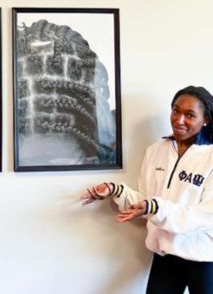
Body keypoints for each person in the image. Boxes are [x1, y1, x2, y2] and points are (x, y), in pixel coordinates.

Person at [80, 85, 213, 294]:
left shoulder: (210, 157)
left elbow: (206, 216)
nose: (179, 120)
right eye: (175, 110)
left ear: (206, 120)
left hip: (204, 258)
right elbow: (146, 201)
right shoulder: (155, 151)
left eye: (189, 115)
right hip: (165, 256)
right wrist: (116, 190)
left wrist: (155, 207)